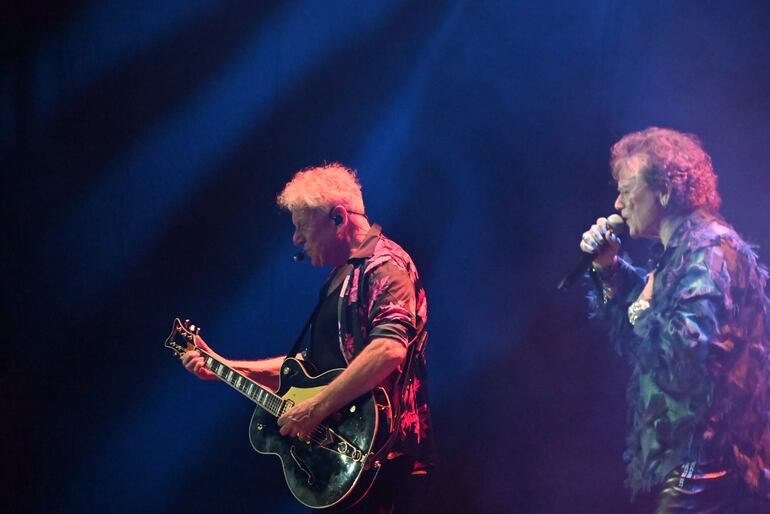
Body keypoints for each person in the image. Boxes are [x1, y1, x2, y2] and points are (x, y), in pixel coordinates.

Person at [181, 163, 432, 513]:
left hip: (383, 461)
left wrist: (316, 408)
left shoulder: (384, 265)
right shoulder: (340, 278)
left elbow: (389, 350)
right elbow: (306, 370)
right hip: (345, 460)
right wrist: (222, 366)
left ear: (339, 217)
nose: (296, 239)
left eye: (302, 226)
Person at [581, 127, 770, 512]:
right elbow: (646, 333)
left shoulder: (711, 250)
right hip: (688, 463)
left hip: (707, 467)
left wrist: (642, 305)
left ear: (665, 190)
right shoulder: (680, 253)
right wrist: (610, 269)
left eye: (628, 189)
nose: (618, 203)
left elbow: (683, 351)